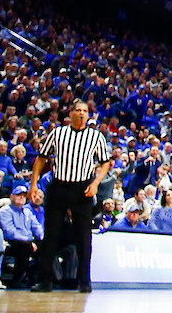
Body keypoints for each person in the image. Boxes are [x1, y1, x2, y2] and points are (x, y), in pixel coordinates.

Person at [29, 100, 112, 293]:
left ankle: (84, 281)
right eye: (78, 110)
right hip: (59, 186)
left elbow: (105, 163)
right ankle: (44, 281)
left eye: (85, 111)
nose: (82, 113)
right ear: (71, 113)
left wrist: (95, 183)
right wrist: (33, 184)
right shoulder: (57, 133)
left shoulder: (96, 136)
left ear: (88, 115)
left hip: (82, 188)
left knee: (83, 237)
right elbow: (41, 158)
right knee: (51, 235)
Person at [0, 183, 43, 288]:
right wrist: (29, 242)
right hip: (7, 242)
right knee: (24, 247)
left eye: (24, 196)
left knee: (47, 245)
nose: (21, 197)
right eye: (18, 195)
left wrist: (43, 239)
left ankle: (43, 279)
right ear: (11, 196)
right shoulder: (4, 212)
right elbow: (10, 232)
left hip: (27, 241)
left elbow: (37, 227)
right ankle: (17, 279)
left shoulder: (27, 212)